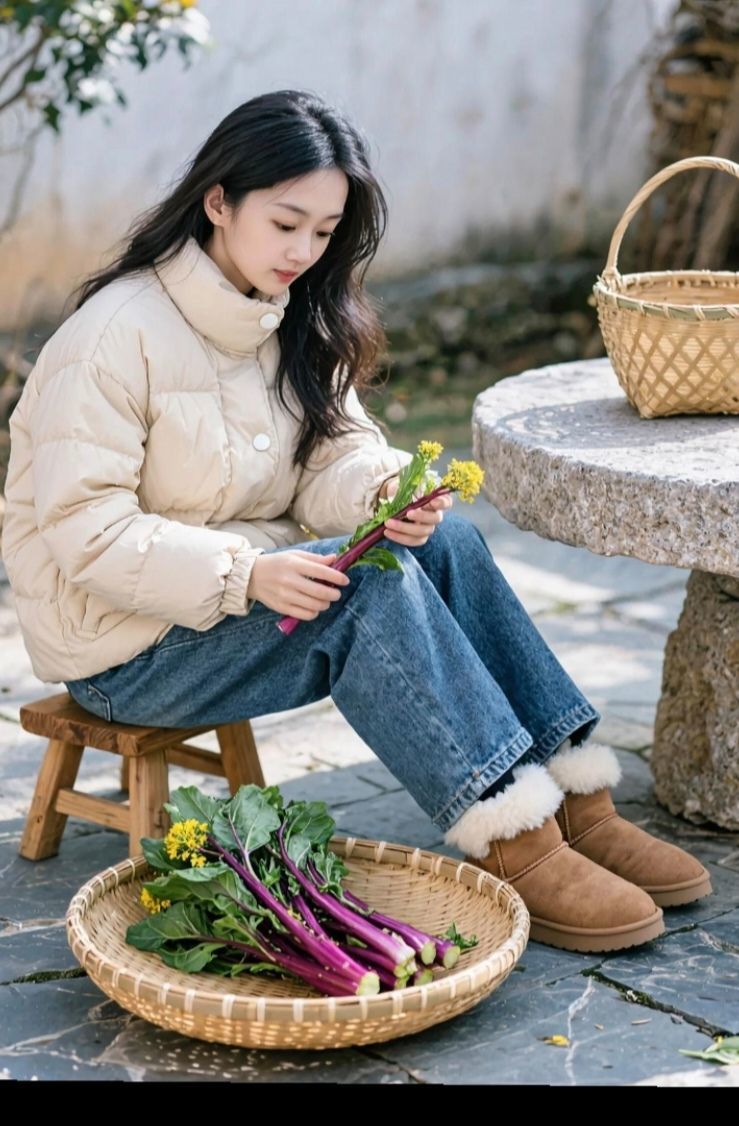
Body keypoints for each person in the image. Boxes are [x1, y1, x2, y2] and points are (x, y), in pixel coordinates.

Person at [2, 89, 711, 953]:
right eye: (285, 222)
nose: (303, 251)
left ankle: (575, 801)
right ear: (217, 201)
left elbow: (329, 455)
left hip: (230, 602)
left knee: (443, 538)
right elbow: (85, 531)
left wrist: (381, 491)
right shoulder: (113, 336)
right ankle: (511, 838)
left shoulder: (290, 310)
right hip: (124, 645)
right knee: (361, 597)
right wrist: (244, 574)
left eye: (325, 230)